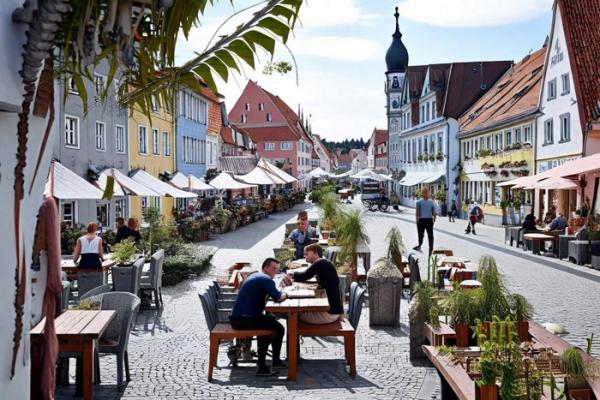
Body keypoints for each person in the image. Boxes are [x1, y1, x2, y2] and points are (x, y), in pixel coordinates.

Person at [229, 258, 287, 376]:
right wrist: (286, 294)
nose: (275, 271)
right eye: (273, 268)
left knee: (273, 324)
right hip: (244, 320)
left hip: (237, 318)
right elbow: (278, 297)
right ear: (265, 268)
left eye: (277, 269)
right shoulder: (266, 279)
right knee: (275, 329)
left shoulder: (256, 275)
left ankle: (273, 362)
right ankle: (262, 367)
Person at [285, 244, 343, 324]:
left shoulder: (320, 262)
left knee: (292, 314)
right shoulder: (324, 262)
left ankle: (294, 335)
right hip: (334, 310)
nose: (305, 256)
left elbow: (304, 276)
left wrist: (291, 274)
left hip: (329, 314)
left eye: (307, 253)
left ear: (315, 253)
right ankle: (295, 335)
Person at [413, 188, 436, 254]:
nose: (427, 194)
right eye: (426, 192)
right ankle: (431, 248)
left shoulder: (418, 202)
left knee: (420, 234)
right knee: (430, 234)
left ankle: (420, 245)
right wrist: (434, 219)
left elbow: (417, 212)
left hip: (421, 220)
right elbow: (433, 212)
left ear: (422, 193)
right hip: (429, 220)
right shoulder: (431, 202)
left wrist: (417, 220)